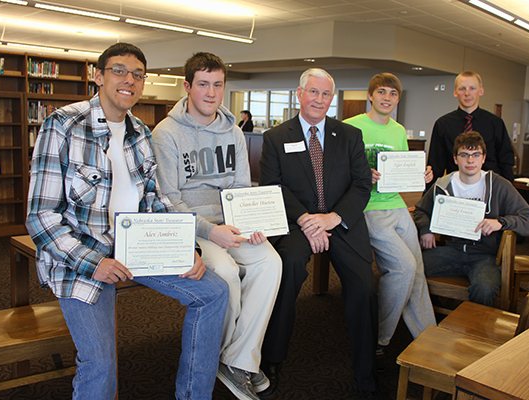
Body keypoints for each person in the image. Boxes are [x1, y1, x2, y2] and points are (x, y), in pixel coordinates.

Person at [25, 43, 229, 400]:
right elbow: (41, 218)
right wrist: (96, 263)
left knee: (214, 292)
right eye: (119, 71)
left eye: (138, 75)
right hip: (83, 258)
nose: (129, 80)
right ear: (99, 76)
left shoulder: (141, 132)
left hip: (137, 246)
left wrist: (186, 248)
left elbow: (155, 200)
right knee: (101, 365)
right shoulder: (62, 125)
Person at [152, 52, 282, 400]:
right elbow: (169, 201)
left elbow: (241, 187)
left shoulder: (234, 132)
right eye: (203, 84)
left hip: (231, 223)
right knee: (224, 271)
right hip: (194, 228)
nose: (211, 93)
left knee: (271, 263)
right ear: (187, 87)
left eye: (218, 85)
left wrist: (250, 221)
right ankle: (223, 358)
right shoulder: (166, 134)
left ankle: (238, 360)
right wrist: (212, 231)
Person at [259, 68, 381, 400]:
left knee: (364, 285)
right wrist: (307, 220)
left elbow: (361, 184)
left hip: (341, 220)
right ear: (299, 94)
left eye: (326, 94)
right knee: (289, 267)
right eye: (313, 92)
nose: (319, 100)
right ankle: (272, 360)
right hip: (298, 222)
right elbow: (273, 187)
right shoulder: (275, 137)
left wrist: (332, 218)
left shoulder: (350, 135)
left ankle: (366, 372)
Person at [343, 73, 436, 370]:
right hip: (366, 208)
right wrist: (360, 174)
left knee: (417, 269)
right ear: (370, 95)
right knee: (403, 267)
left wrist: (419, 176)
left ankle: (427, 335)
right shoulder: (351, 127)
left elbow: (401, 172)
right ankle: (379, 338)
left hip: (396, 205)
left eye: (393, 94)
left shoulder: (398, 130)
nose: (387, 98)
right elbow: (335, 170)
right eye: (381, 92)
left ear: (397, 99)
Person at [414, 131, 529, 306]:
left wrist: (501, 222)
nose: (470, 161)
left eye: (475, 155)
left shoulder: (500, 185)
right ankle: (434, 317)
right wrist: (425, 230)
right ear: (455, 159)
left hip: (486, 256)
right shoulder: (443, 184)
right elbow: (420, 210)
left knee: (484, 289)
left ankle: (473, 329)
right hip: (453, 251)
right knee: (410, 269)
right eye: (464, 155)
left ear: (484, 158)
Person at [427, 71, 515, 186]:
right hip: (455, 187)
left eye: (472, 88)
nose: (467, 93)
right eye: (462, 89)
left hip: (489, 186)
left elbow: (506, 160)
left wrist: (506, 192)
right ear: (455, 92)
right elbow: (436, 164)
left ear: (481, 91)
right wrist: (430, 199)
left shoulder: (495, 123)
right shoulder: (443, 124)